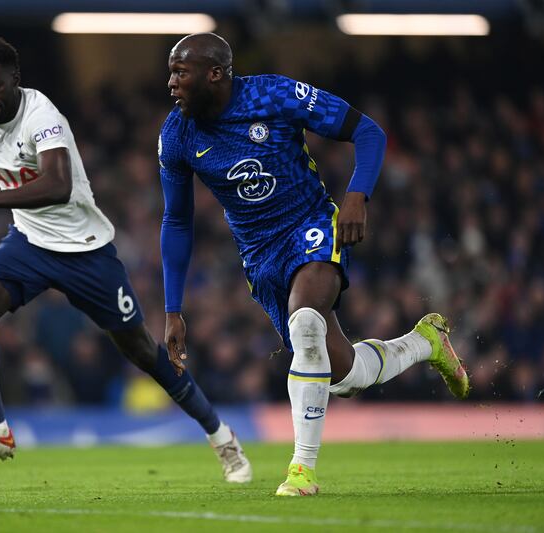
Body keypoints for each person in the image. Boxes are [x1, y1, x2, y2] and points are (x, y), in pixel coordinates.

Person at [0, 36, 252, 482]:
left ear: (15, 81)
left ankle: (221, 436)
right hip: (29, 243)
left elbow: (57, 186)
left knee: (143, 352)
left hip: (87, 251)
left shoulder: (42, 117)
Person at [158, 33, 469, 496]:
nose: (171, 83)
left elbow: (368, 131)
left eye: (181, 72)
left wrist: (358, 196)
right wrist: (172, 308)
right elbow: (177, 221)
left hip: (312, 225)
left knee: (307, 323)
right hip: (260, 257)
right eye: (171, 72)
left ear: (216, 74)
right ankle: (426, 343)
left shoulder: (274, 95)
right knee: (342, 375)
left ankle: (301, 471)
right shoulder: (176, 134)